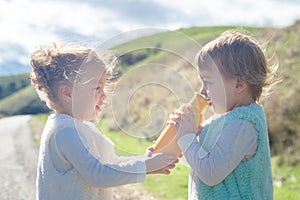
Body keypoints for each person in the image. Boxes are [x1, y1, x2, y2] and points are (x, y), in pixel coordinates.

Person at [30, 43, 178, 200]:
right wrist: (145, 166)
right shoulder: (64, 131)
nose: (104, 95)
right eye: (97, 88)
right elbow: (98, 175)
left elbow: (111, 163)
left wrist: (145, 160)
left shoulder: (81, 128)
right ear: (67, 94)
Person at [171, 31, 277, 199]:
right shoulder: (220, 121)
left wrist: (187, 137)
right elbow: (200, 162)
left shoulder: (243, 124)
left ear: (239, 85)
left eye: (209, 82)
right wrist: (180, 143)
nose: (202, 91)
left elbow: (211, 173)